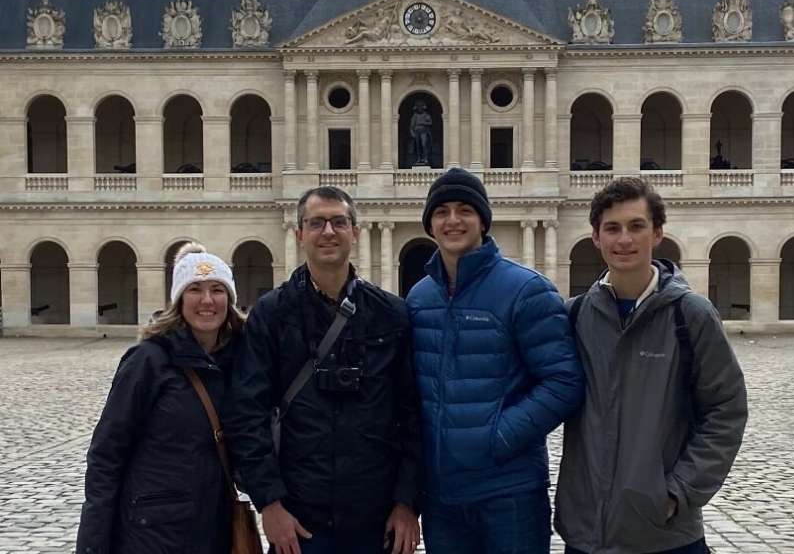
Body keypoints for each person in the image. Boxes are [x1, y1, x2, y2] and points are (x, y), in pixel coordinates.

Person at [555, 177, 748, 554]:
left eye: (636, 226)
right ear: (596, 237)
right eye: (612, 228)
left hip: (666, 534)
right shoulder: (575, 316)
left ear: (657, 234)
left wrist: (678, 491)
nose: (623, 239)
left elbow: (726, 410)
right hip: (588, 534)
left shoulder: (690, 315)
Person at [225, 186, 422, 554]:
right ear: (299, 234)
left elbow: (412, 415)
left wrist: (407, 503)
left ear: (355, 232)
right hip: (299, 519)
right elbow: (247, 414)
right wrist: (269, 503)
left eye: (338, 222)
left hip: (374, 518)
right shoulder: (272, 315)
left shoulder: (390, 314)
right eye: (316, 223)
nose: (328, 232)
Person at [406, 167, 584, 554]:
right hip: (442, 495)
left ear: (483, 221)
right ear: (430, 225)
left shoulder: (526, 290)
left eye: (465, 210)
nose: (453, 220)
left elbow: (563, 382)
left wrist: (499, 436)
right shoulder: (419, 298)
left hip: (509, 491)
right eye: (442, 211)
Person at [76, 242, 245, 554]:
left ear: (230, 300)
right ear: (179, 299)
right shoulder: (147, 361)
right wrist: (93, 544)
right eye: (194, 288)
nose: (207, 300)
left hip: (212, 530)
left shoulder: (238, 364)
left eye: (217, 290)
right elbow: (106, 454)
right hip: (150, 533)